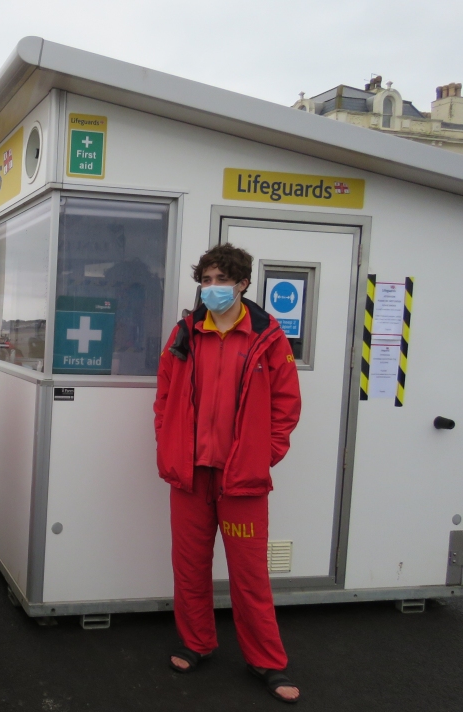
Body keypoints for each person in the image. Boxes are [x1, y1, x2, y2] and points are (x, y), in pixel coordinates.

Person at [153, 243, 302, 704]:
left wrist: (264, 454)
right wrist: (168, 440)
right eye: (207, 280)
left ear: (242, 284)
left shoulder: (267, 337)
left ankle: (267, 661)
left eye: (222, 280)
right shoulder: (185, 332)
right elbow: (164, 397)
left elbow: (286, 406)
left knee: (249, 574)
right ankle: (197, 642)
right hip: (191, 475)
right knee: (190, 567)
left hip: (242, 479)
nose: (212, 289)